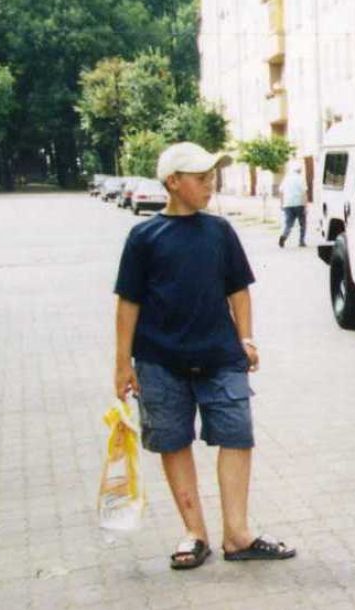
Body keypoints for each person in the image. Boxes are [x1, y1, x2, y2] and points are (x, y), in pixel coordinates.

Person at [113, 141, 295, 571]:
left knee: (236, 436)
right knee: (173, 443)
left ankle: (238, 534)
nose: (210, 184)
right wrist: (123, 363)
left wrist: (247, 340)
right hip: (159, 362)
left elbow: (239, 290)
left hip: (221, 357)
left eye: (213, 176)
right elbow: (128, 304)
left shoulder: (220, 231)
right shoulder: (143, 237)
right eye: (201, 177)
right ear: (173, 183)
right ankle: (195, 533)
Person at [278, 163, 308, 248]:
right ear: (299, 170)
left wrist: (281, 203)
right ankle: (301, 241)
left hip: (287, 204)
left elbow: (281, 191)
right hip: (299, 203)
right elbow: (304, 192)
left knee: (288, 224)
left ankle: (284, 236)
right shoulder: (301, 179)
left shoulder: (286, 179)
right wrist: (306, 206)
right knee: (303, 224)